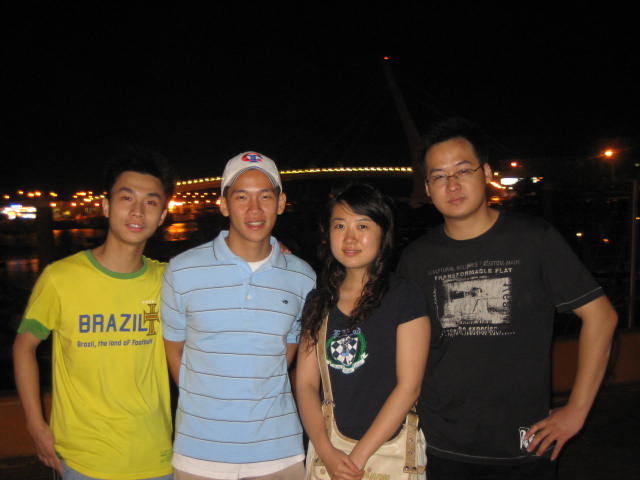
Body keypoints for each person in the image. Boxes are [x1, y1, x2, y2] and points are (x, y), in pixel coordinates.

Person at [397, 118, 618, 479]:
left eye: (463, 170)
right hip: (439, 444)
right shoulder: (416, 258)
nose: (452, 184)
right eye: (439, 176)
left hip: (525, 444)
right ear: (427, 187)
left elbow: (601, 317)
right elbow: (404, 342)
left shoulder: (535, 240)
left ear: (485, 172)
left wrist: (577, 410)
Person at [13, 147, 175, 479]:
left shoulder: (170, 280)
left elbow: (229, 272)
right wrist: (36, 424)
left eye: (150, 202)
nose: (137, 211)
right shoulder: (60, 278)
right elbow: (24, 347)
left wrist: (274, 252)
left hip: (155, 456)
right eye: (126, 198)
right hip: (82, 461)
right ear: (105, 206)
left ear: (161, 216)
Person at [161, 151, 316, 480]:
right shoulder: (182, 270)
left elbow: (286, 351)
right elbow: (174, 349)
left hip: (279, 454)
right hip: (199, 455)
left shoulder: (302, 276)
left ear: (281, 203)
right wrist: (206, 403)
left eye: (265, 196)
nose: (254, 209)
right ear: (224, 205)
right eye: (242, 197)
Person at [296, 184, 430, 480]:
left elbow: (409, 387)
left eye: (362, 226)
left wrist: (355, 460)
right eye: (340, 226)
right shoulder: (318, 301)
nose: (350, 238)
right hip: (331, 450)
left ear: (383, 233)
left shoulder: (404, 296)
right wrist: (326, 451)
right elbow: (306, 384)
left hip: (389, 452)